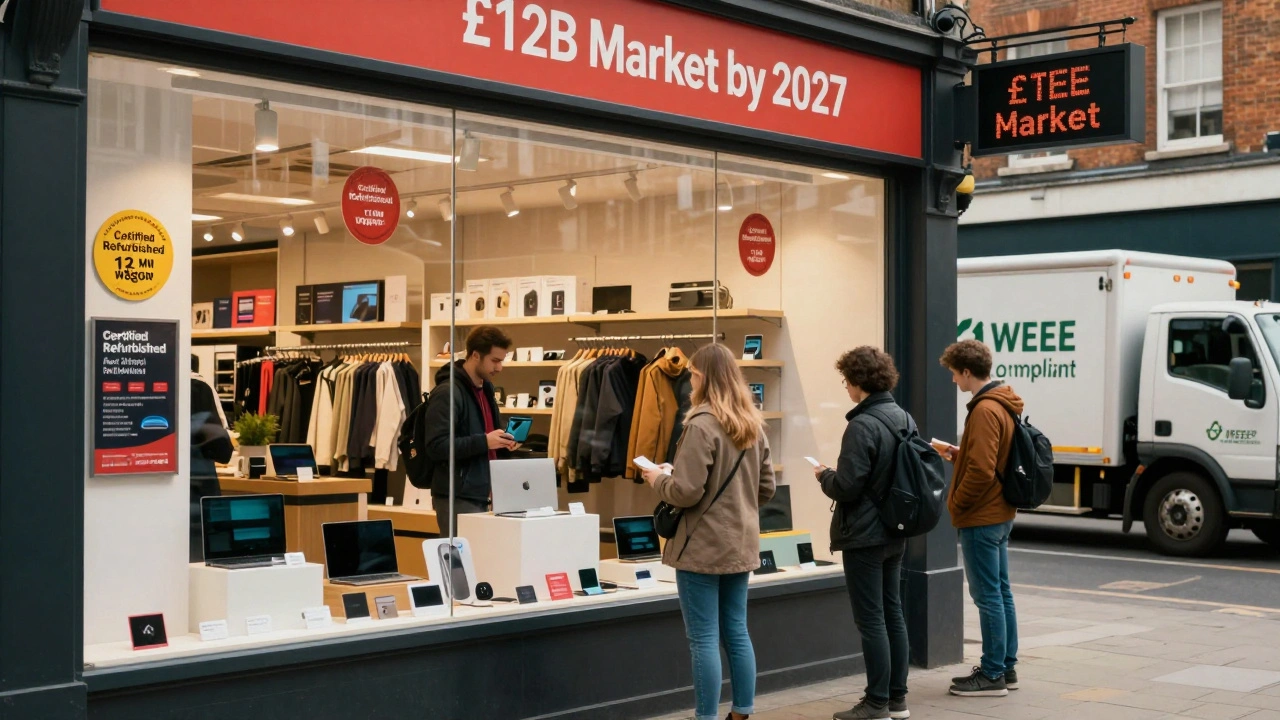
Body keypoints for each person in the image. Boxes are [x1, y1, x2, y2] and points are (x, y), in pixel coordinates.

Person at [640, 343, 775, 720]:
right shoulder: (752, 423)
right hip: (741, 542)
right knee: (736, 630)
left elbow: (686, 492)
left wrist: (657, 479)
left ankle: (705, 716)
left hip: (701, 544)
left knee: (703, 639)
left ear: (703, 378)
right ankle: (742, 711)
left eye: (693, 375)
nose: (689, 381)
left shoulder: (701, 424)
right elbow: (766, 490)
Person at [815, 347, 912, 720]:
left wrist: (824, 475)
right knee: (893, 613)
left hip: (864, 535)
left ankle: (875, 703)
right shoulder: (903, 417)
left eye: (846, 380)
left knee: (871, 619)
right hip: (895, 531)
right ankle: (897, 699)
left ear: (858, 381)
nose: (845, 387)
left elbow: (847, 487)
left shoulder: (861, 425)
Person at [937, 340, 1022, 698]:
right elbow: (988, 460)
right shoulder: (1003, 403)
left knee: (987, 596)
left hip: (981, 516)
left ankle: (990, 676)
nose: (954, 381)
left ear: (967, 372)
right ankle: (1006, 666)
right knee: (1000, 592)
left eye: (955, 374)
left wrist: (958, 503)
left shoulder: (985, 409)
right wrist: (960, 455)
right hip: (999, 512)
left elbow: (983, 470)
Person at [423, 325, 518, 534]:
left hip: (486, 494)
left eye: (502, 360)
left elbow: (487, 433)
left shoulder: (485, 389)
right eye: (495, 360)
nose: (500, 367)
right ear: (475, 355)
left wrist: (503, 441)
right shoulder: (447, 393)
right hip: (457, 496)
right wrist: (485, 442)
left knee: (483, 562)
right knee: (461, 564)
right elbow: (436, 446)